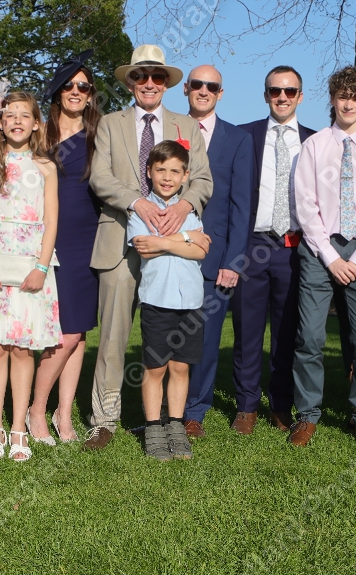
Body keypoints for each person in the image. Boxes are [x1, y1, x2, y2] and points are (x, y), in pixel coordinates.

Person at [83, 45, 213, 451]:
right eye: (141, 76)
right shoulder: (110, 124)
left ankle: (167, 421)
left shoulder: (186, 125)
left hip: (174, 244)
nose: (150, 83)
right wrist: (136, 202)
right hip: (120, 240)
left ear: (167, 83)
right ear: (130, 82)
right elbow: (99, 177)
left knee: (171, 341)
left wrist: (184, 207)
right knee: (113, 337)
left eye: (157, 76)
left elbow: (202, 179)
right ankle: (105, 420)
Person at [288, 66, 356, 449]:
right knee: (310, 337)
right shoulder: (315, 147)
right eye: (343, 96)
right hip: (320, 250)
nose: (349, 103)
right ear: (333, 100)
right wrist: (331, 257)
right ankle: (307, 416)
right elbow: (305, 206)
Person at [0, 91, 61, 462]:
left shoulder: (46, 168)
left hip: (31, 263)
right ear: (0, 125)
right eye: (10, 115)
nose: (17, 120)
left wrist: (41, 267)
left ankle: (18, 427)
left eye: (25, 115)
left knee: (22, 347)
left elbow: (51, 221)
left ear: (36, 124)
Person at [232, 66, 315, 433]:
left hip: (294, 247)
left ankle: (281, 404)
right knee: (247, 329)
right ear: (265, 95)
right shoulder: (244, 136)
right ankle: (246, 406)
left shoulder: (315, 141)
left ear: (300, 96)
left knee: (286, 332)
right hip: (253, 243)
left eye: (290, 91)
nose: (282, 97)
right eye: (275, 91)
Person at [29, 52, 100, 444]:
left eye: (83, 86)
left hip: (90, 237)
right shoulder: (40, 133)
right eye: (69, 85)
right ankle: (35, 411)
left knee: (79, 331)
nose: (76, 91)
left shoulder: (99, 134)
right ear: (58, 91)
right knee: (66, 333)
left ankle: (64, 414)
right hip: (51, 237)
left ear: (90, 94)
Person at [182, 65, 253, 438]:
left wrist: (233, 261)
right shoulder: (169, 131)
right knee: (165, 336)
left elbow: (242, 206)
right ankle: (161, 408)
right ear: (186, 88)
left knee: (206, 339)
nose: (204, 90)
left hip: (216, 258)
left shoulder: (238, 140)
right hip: (167, 253)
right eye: (197, 84)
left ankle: (194, 412)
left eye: (211, 86)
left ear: (220, 93)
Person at [128, 141, 211, 460]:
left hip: (190, 302)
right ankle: (153, 428)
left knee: (180, 366)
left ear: (185, 175)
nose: (167, 177)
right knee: (156, 367)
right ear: (149, 172)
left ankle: (175, 426)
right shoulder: (141, 211)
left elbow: (201, 251)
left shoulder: (190, 212)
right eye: (160, 170)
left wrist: (166, 240)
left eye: (175, 171)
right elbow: (144, 246)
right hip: (157, 301)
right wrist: (186, 238)